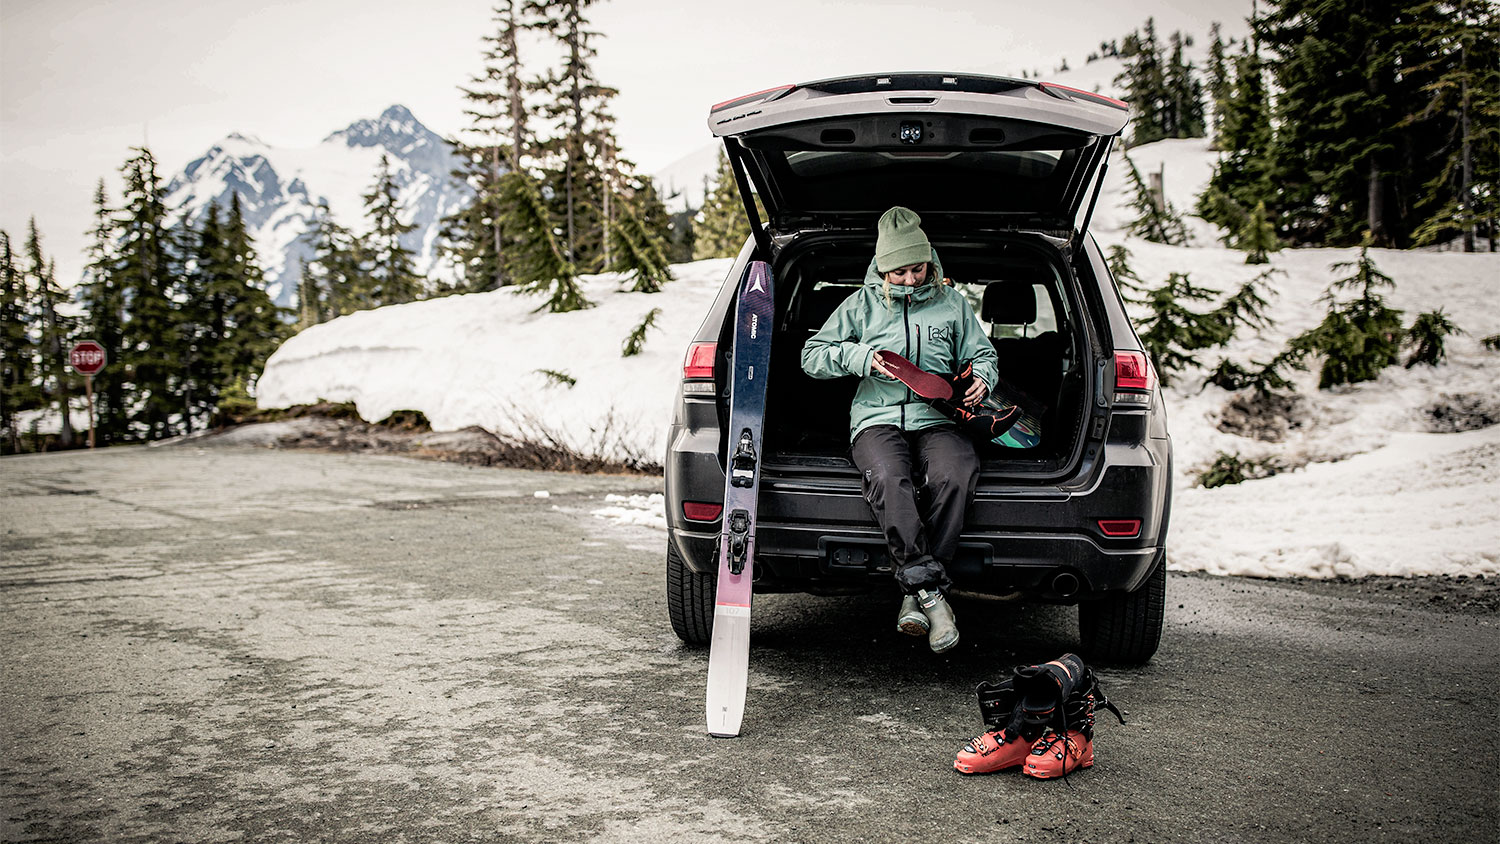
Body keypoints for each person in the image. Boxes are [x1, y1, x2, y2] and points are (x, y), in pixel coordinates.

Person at [800, 206, 999, 653]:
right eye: (900, 272)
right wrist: (859, 358)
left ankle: (918, 591)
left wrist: (983, 378)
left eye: (917, 268)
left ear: (930, 260)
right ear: (882, 268)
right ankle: (934, 596)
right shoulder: (860, 305)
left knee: (954, 474)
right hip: (876, 418)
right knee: (891, 479)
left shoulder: (952, 304)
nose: (910, 279)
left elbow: (984, 354)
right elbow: (811, 356)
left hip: (938, 417)